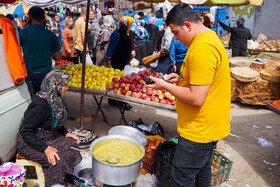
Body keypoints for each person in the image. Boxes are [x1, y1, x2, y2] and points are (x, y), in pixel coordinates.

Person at [147, 4, 231, 187]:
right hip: (208, 125)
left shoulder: (202, 48)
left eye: (176, 33)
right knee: (202, 170)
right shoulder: (208, 38)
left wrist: (165, 86)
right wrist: (182, 79)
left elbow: (197, 98)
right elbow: (206, 81)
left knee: (180, 178)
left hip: (199, 130)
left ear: (187, 25)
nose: (176, 39)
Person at [17, 70, 84, 186]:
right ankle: (54, 183)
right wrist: (46, 148)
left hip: (47, 136)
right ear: (55, 85)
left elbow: (55, 123)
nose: (67, 88)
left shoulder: (56, 100)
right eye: (64, 85)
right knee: (56, 158)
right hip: (29, 141)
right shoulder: (40, 105)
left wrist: (65, 133)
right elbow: (25, 131)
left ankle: (66, 175)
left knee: (72, 146)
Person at [19, 6, 61, 95]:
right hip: (46, 75)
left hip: (29, 75)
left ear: (30, 17)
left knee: (33, 104)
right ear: (43, 17)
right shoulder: (51, 35)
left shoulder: (22, 33)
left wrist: (25, 25)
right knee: (45, 102)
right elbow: (58, 58)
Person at [106, 16, 133, 109]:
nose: (131, 25)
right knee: (116, 82)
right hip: (116, 62)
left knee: (122, 83)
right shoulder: (116, 34)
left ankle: (121, 101)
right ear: (126, 24)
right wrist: (109, 64)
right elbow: (109, 50)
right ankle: (115, 101)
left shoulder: (126, 33)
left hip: (123, 62)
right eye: (130, 24)